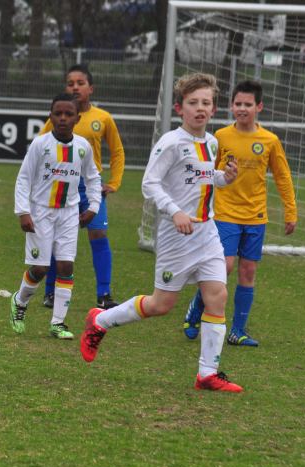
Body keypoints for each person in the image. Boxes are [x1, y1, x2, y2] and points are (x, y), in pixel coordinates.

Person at [79, 73, 243, 393]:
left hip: (206, 231)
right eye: (193, 103)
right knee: (160, 305)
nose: (200, 108)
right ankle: (101, 320)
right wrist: (175, 211)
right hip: (175, 235)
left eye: (206, 103)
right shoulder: (170, 142)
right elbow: (149, 184)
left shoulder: (211, 143)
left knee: (218, 295)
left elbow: (204, 179)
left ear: (213, 109)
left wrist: (226, 177)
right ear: (180, 108)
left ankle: (207, 373)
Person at [182, 80, 297, 347]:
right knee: (224, 267)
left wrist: (290, 211)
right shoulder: (220, 137)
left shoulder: (269, 140)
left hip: (256, 217)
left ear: (259, 107)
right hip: (224, 213)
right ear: (231, 106)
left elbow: (282, 176)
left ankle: (237, 330)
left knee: (247, 272)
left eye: (247, 104)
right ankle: (195, 312)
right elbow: (204, 172)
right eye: (238, 104)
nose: (242, 109)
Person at [10, 93, 102, 339]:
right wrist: (23, 212)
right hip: (41, 211)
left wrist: (92, 207)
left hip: (69, 213)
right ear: (50, 116)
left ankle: (58, 323)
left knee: (65, 265)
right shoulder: (40, 144)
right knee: (40, 268)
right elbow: (24, 178)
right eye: (57, 114)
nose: (62, 118)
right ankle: (19, 302)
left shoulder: (83, 147)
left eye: (68, 114)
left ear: (77, 118)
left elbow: (93, 178)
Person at [39, 64, 125, 310]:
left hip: (91, 186)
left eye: (80, 83)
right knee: (58, 239)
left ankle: (104, 294)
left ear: (91, 88)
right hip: (63, 185)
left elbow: (117, 152)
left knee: (98, 234)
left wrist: (114, 182)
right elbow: (40, 147)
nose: (75, 87)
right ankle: (51, 292)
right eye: (70, 83)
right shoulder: (58, 117)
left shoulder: (103, 118)